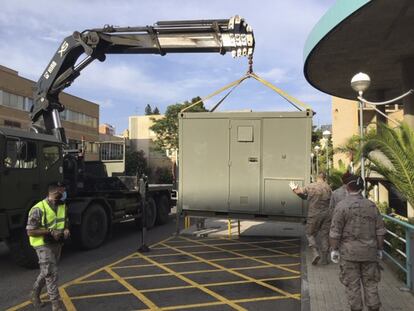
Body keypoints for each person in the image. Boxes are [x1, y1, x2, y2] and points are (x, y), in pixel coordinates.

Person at [329, 175, 386, 311]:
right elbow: (380, 230)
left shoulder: (341, 206)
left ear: (347, 187)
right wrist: (380, 249)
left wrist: (334, 249)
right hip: (370, 253)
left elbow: (335, 232)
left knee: (352, 286)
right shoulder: (372, 206)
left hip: (349, 254)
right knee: (371, 284)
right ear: (361, 188)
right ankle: (373, 308)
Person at [26, 182, 70, 311]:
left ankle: (34, 293)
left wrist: (66, 229)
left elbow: (65, 221)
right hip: (42, 244)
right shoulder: (38, 208)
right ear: (55, 192)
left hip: (57, 243)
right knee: (51, 273)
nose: (64, 194)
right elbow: (30, 231)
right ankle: (56, 305)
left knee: (47, 271)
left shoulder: (63, 206)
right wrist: (50, 231)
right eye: (63, 191)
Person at [290, 172, 332, 265]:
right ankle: (325, 259)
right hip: (327, 215)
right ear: (324, 178)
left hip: (314, 214)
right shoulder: (328, 188)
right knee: (325, 235)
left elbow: (300, 192)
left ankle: (315, 252)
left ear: (316, 178)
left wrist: (293, 188)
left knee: (309, 233)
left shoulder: (311, 186)